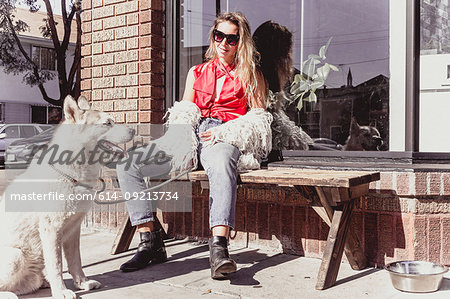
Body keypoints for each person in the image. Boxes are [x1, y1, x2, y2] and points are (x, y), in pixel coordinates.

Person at [116, 12, 272, 279]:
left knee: (223, 166)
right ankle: (149, 239)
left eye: (231, 39)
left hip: (223, 135)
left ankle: (219, 248)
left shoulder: (251, 74)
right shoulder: (196, 72)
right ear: (213, 37)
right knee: (129, 163)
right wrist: (181, 140)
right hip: (191, 135)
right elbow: (185, 112)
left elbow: (259, 121)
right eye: (218, 36)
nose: (223, 43)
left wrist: (226, 131)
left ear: (240, 42)